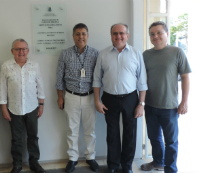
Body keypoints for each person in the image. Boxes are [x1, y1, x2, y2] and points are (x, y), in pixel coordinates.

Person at [93, 23, 148, 173]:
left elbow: (142, 82)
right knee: (112, 133)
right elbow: (96, 80)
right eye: (115, 33)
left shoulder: (136, 54)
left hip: (131, 98)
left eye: (122, 33)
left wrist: (141, 104)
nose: (118, 36)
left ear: (127, 35)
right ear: (111, 35)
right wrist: (97, 100)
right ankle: (112, 165)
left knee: (130, 133)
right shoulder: (103, 54)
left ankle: (127, 165)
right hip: (109, 98)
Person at [140, 21, 191, 173]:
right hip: (149, 105)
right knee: (154, 139)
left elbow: (186, 77)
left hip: (169, 106)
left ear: (167, 34)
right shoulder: (145, 55)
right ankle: (158, 162)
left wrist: (184, 101)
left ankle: (170, 169)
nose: (155, 36)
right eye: (152, 34)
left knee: (171, 142)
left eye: (159, 32)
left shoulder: (177, 52)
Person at [55, 23, 99, 173]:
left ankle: (90, 157)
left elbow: (99, 78)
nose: (81, 37)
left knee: (90, 130)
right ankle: (72, 159)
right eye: (78, 34)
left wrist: (98, 99)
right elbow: (59, 77)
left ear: (87, 35)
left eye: (83, 34)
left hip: (90, 97)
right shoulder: (65, 53)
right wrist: (60, 97)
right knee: (72, 130)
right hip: (71, 96)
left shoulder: (95, 53)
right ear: (73, 36)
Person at [0, 39, 46, 173]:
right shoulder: (6, 66)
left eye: (24, 49)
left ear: (28, 50)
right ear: (12, 51)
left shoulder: (34, 65)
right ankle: (17, 164)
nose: (21, 52)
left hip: (32, 107)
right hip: (13, 109)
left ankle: (34, 163)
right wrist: (3, 108)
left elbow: (40, 86)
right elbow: (2, 88)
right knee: (16, 139)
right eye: (18, 49)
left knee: (33, 137)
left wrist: (41, 105)